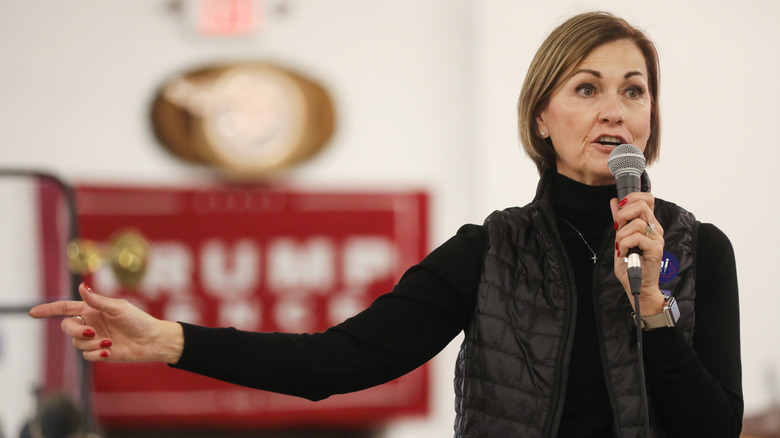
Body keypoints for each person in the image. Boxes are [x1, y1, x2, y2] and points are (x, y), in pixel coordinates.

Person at [30, 11, 742, 438]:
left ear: (652, 119)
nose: (615, 109)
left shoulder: (697, 251)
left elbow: (716, 429)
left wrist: (653, 312)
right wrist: (166, 339)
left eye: (634, 90)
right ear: (542, 119)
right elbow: (336, 364)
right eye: (587, 88)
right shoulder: (489, 253)